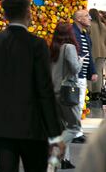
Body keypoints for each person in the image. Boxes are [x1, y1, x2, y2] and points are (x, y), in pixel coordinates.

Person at [0, 0, 64, 171]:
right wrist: (55, 133)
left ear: (4, 15)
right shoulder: (37, 45)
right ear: (28, 13)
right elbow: (44, 89)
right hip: (32, 125)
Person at [50, 22, 84, 169]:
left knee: (61, 128)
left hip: (53, 92)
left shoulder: (52, 49)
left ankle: (58, 162)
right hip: (67, 92)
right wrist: (81, 61)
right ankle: (53, 153)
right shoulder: (69, 47)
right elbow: (75, 69)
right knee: (74, 128)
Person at [72, 9, 98, 143]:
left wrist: (92, 71)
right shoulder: (72, 33)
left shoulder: (85, 34)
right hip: (74, 75)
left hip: (81, 75)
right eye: (87, 16)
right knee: (75, 105)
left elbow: (89, 55)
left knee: (79, 103)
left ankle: (77, 132)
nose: (90, 18)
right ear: (79, 19)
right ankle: (75, 134)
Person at [88, 9, 106, 101]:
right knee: (98, 71)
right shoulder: (103, 26)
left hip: (92, 51)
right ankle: (97, 93)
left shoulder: (89, 26)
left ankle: (89, 92)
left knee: (90, 70)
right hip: (102, 52)